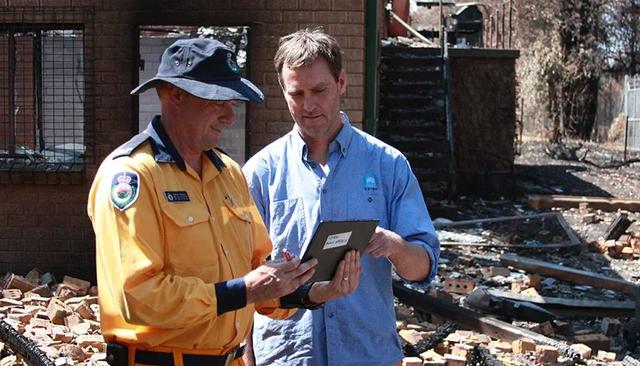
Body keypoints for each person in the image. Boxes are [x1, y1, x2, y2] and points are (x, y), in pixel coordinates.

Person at [87, 38, 324, 366]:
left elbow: (256, 271)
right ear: (176, 95)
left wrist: (308, 291)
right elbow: (139, 297)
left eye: (233, 102)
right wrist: (242, 291)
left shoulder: (228, 172)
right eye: (218, 101)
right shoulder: (132, 176)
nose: (229, 116)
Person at [242, 27, 440, 366]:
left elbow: (423, 268)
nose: (309, 105)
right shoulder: (260, 172)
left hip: (368, 355)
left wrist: (392, 244)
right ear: (283, 92)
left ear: (342, 83)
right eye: (297, 93)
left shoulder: (387, 164)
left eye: (319, 90)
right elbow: (242, 280)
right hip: (287, 356)